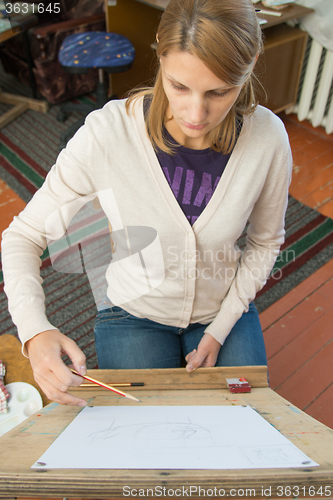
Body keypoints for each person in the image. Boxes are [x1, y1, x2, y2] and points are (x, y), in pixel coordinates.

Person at [1, 0, 292, 406]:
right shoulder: (107, 134)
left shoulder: (268, 138)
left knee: (246, 424)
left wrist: (221, 327)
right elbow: (23, 235)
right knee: (144, 436)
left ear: (252, 63)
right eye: (179, 86)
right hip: (132, 314)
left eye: (219, 91)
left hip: (224, 307)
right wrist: (34, 331)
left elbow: (264, 242)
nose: (196, 113)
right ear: (159, 51)